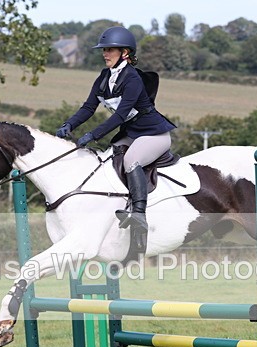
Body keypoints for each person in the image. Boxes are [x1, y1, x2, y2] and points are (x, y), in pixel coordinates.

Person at [56, 26, 176, 239]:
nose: (105, 54)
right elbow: (88, 107)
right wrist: (69, 125)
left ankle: (139, 214)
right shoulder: (104, 77)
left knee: (131, 160)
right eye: (104, 50)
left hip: (154, 134)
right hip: (132, 134)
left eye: (110, 50)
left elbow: (120, 116)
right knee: (107, 160)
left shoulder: (132, 79)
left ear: (125, 53)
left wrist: (93, 135)